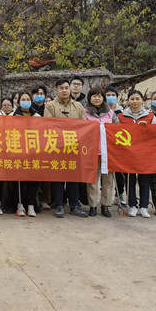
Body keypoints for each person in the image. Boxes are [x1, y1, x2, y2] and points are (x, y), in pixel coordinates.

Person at [44, 79, 89, 218]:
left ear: (70, 89)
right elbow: (48, 125)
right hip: (57, 147)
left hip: (73, 147)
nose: (64, 90)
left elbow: (84, 125)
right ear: (56, 90)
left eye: (66, 88)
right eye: (61, 88)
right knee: (58, 178)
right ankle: (59, 204)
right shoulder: (50, 106)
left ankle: (75, 205)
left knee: (73, 177)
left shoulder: (78, 106)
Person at [118, 89, 156, 218]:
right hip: (128, 153)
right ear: (128, 100)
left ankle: (144, 206)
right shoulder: (121, 116)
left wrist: (148, 128)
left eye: (137, 99)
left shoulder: (150, 116)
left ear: (142, 100)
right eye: (132, 99)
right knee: (129, 180)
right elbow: (116, 132)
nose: (135, 101)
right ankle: (132, 205)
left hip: (145, 154)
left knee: (144, 180)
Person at [83, 87, 119, 218]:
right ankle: (92, 206)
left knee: (108, 179)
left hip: (108, 152)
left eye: (99, 96)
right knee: (92, 179)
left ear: (103, 98)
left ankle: (105, 205)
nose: (97, 98)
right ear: (89, 98)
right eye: (94, 96)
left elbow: (118, 129)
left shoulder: (111, 113)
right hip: (91, 152)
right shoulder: (84, 113)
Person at [12, 91, 39, 217]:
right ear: (18, 102)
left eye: (28, 99)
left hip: (33, 152)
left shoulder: (37, 116)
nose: (26, 101)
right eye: (23, 99)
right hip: (18, 151)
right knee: (19, 180)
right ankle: (20, 204)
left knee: (32, 180)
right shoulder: (12, 116)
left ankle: (31, 205)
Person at [105, 86, 127, 206]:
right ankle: (105, 196)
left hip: (119, 145)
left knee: (119, 172)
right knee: (105, 172)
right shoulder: (101, 111)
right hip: (104, 144)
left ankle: (119, 195)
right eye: (108, 95)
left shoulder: (122, 112)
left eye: (113, 95)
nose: (110, 97)